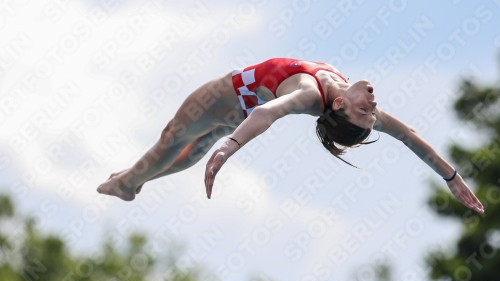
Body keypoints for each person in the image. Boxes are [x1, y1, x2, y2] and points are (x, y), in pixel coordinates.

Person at [96, 58, 484, 214]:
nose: (372, 102)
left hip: (224, 100)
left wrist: (228, 149)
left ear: (338, 107)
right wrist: (451, 176)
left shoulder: (311, 94)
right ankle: (134, 181)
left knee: (175, 140)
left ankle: (128, 182)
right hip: (241, 113)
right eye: (371, 108)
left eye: (366, 109)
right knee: (195, 148)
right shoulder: (349, 104)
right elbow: (411, 136)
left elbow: (268, 112)